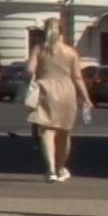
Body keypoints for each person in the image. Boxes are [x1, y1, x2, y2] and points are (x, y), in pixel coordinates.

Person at [27, 22, 92, 183]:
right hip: (67, 91)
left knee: (47, 131)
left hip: (45, 90)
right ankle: (61, 168)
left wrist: (35, 77)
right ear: (62, 33)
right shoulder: (71, 52)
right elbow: (77, 77)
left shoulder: (40, 49)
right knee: (64, 132)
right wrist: (86, 98)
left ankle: (50, 170)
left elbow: (29, 70)